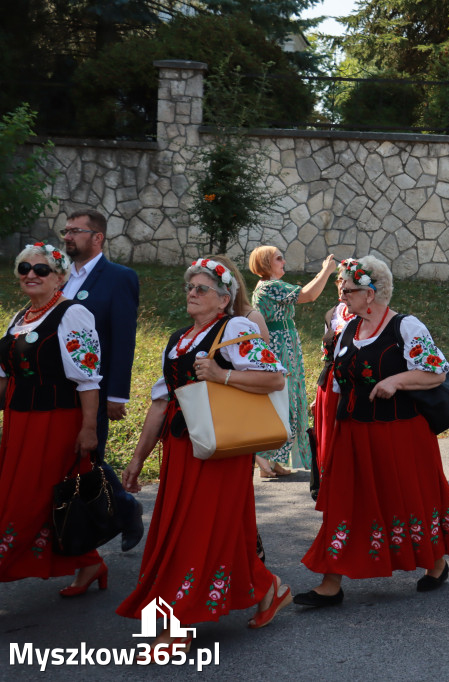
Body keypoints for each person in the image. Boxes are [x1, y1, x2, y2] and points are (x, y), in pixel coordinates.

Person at [118, 259, 292, 646]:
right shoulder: (179, 338)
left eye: (202, 289)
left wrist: (221, 375)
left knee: (199, 530)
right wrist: (137, 458)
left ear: (224, 299)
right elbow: (161, 404)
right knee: (198, 528)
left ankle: (179, 623)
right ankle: (268, 587)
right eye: (189, 288)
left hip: (220, 450)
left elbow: (275, 377)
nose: (192, 294)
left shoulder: (235, 328)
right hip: (182, 448)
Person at [298, 256, 449, 603]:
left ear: (370, 294)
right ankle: (331, 583)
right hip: (354, 433)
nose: (341, 293)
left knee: (405, 500)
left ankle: (435, 562)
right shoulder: (347, 331)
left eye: (349, 288)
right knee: (345, 503)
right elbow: (340, 379)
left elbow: (435, 373)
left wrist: (396, 381)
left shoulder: (406, 327)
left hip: (400, 434)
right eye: (341, 287)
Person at [0, 244, 106, 593]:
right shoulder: (21, 317)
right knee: (35, 497)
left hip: (55, 422)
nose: (31, 274)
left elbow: (88, 378)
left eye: (41, 270)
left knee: (31, 499)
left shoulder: (73, 314)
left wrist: (89, 429)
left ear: (59, 277)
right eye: (25, 268)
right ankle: (88, 561)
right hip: (19, 421)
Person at [60, 209, 144, 552]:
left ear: (98, 238)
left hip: (93, 387)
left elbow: (123, 338)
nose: (67, 237)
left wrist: (117, 395)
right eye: (65, 230)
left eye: (76, 231)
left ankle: (124, 508)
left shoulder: (118, 277)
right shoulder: (59, 275)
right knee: (65, 457)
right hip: (57, 386)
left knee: (88, 455)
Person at [249, 246, 337, 471]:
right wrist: (326, 271)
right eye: (279, 258)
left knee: (289, 399)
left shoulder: (272, 286)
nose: (284, 262)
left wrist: (322, 272)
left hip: (286, 345)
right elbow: (308, 295)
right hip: (279, 347)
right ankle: (263, 455)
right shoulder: (270, 286)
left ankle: (275, 457)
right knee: (283, 399)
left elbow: (305, 291)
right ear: (266, 263)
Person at [205, 255, 277, 479]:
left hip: (237, 407)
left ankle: (261, 458)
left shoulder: (250, 316)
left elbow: (263, 370)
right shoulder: (204, 319)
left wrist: (222, 375)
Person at [311, 265, 354, 490]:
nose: (342, 286)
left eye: (347, 281)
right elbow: (326, 354)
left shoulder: (368, 315)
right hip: (328, 384)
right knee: (327, 438)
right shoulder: (332, 314)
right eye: (339, 280)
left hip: (353, 385)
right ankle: (328, 487)